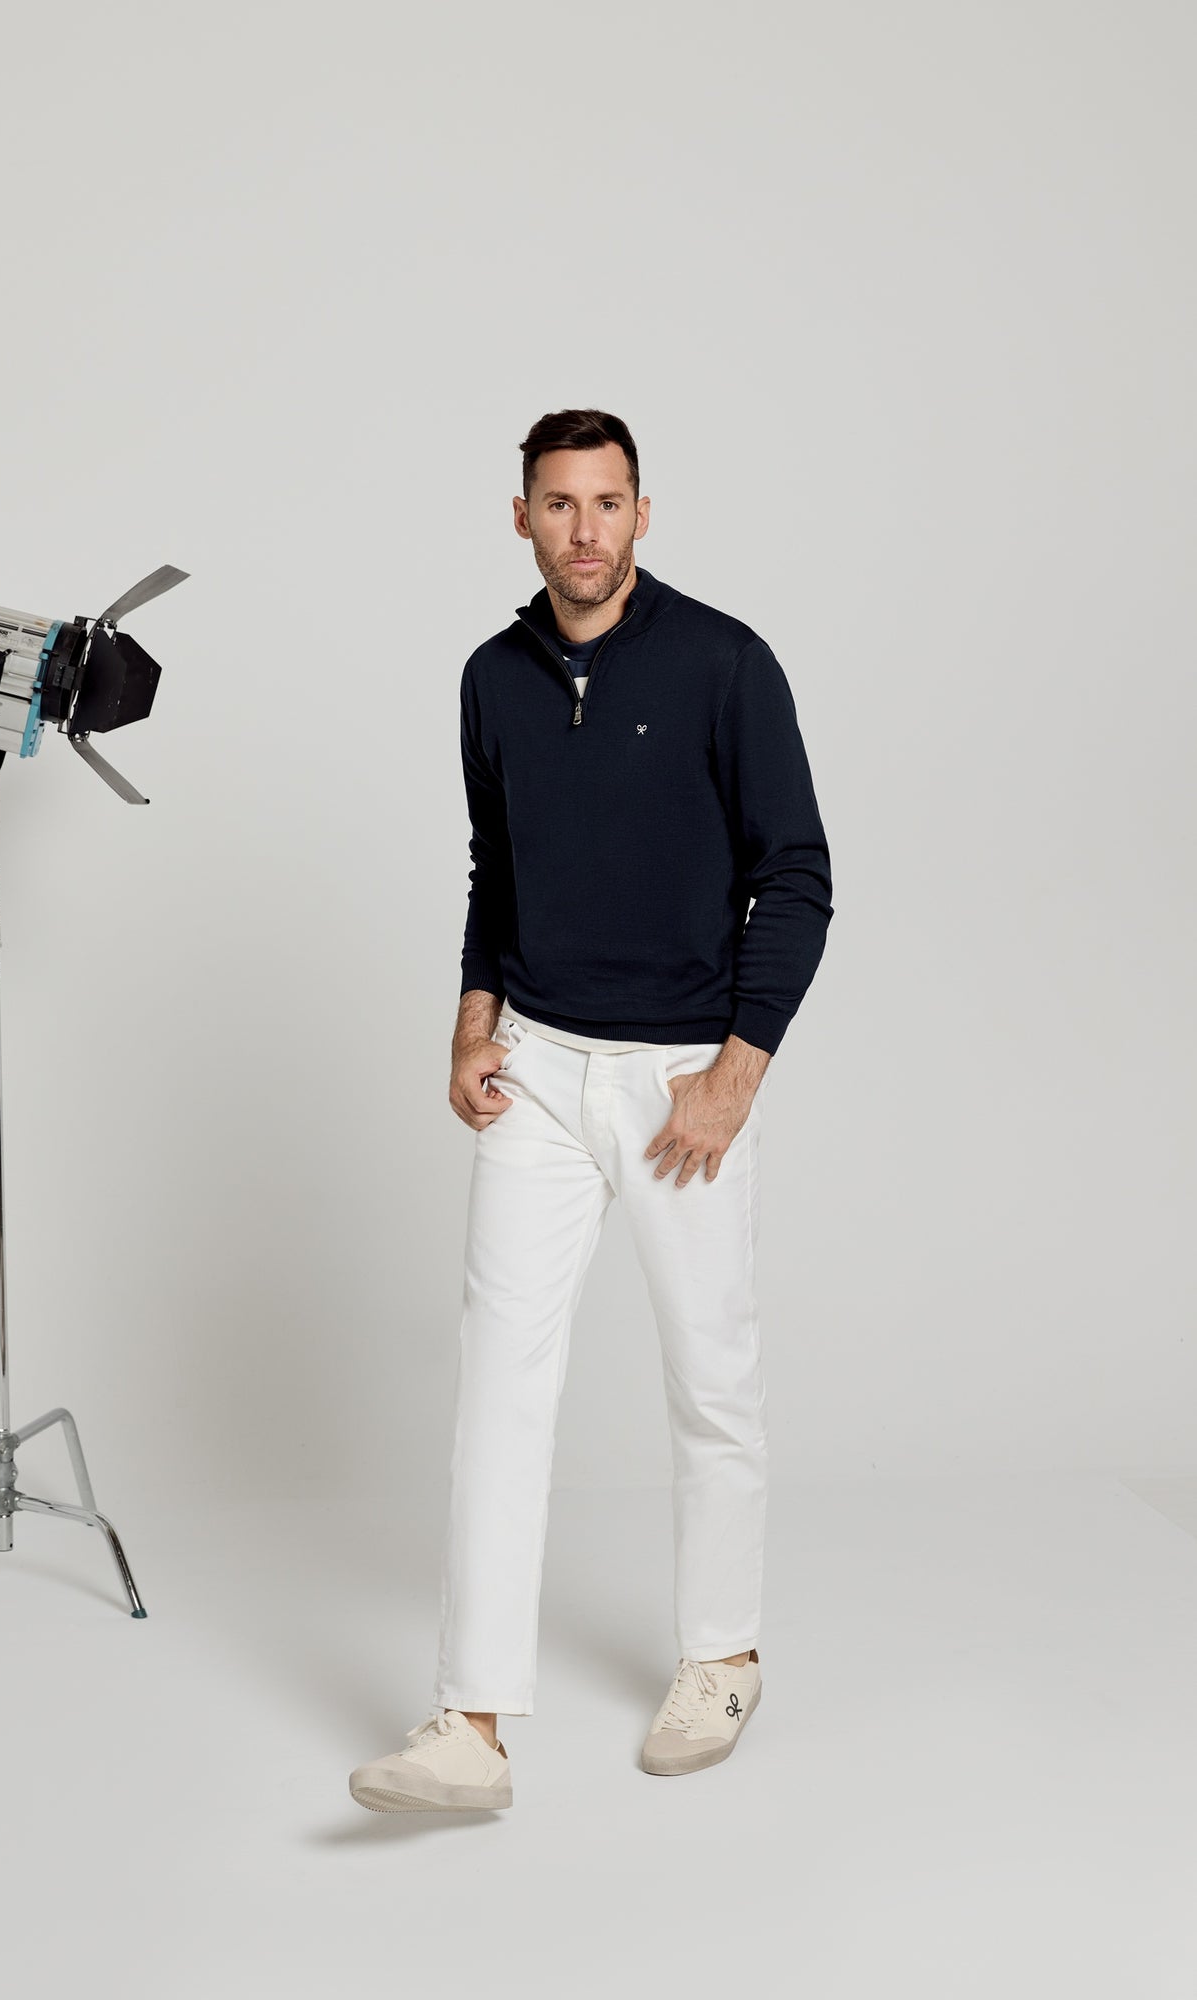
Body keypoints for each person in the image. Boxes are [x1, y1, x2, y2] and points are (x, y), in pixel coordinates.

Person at [348, 409, 833, 1814]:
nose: (584, 530)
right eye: (558, 505)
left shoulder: (724, 663)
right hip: (538, 1073)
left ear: (642, 513)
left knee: (711, 1376)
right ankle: (470, 1726)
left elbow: (797, 875)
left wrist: (735, 1073)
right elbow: (495, 872)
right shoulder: (490, 678)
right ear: (522, 518)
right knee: (500, 1384)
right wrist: (472, 1019)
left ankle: (723, 1655)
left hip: (680, 1079)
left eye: (606, 503)